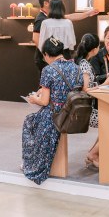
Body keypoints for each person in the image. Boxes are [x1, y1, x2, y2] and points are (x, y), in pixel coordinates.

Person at [22, 36, 82, 184]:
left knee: (30, 121)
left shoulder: (48, 70)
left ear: (46, 55)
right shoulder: (75, 67)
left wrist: (34, 99)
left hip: (54, 115)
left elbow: (44, 101)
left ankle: (32, 163)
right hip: (71, 113)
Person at [32, 0, 98, 72]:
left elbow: (71, 16)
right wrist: (47, 56)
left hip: (58, 57)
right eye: (52, 0)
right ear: (46, 3)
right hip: (46, 58)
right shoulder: (41, 19)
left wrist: (88, 13)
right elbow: (36, 39)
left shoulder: (54, 17)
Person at [74, 33, 103, 168]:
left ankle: (93, 154)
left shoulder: (80, 62)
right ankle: (93, 154)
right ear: (95, 49)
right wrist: (104, 85)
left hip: (83, 108)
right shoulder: (85, 65)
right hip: (87, 111)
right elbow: (85, 89)